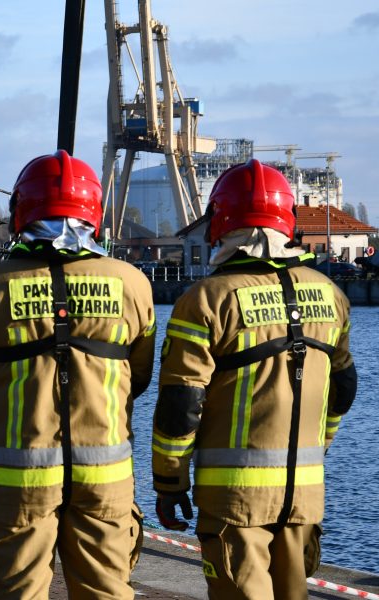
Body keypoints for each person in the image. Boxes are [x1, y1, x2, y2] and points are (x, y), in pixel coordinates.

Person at [0, 150, 156, 599]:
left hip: (16, 478)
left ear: (21, 210)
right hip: (105, 477)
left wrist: (4, 398)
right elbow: (138, 377)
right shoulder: (133, 284)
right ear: (94, 212)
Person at [152, 159, 357, 599]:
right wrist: (321, 443)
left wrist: (170, 482)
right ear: (288, 220)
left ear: (219, 221)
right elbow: (343, 388)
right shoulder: (331, 294)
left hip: (235, 498)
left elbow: (181, 404)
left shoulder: (206, 300)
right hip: (304, 494)